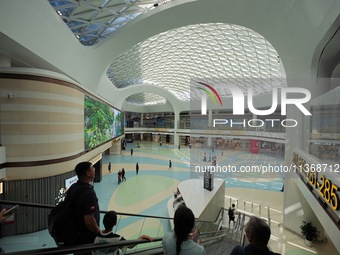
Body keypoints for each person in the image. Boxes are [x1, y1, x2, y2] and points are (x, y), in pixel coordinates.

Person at [66, 162, 100, 252]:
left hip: (75, 234)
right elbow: (89, 221)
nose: (94, 170)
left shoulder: (73, 188)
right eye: (92, 169)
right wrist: (99, 232)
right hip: (86, 238)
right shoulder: (89, 193)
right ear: (88, 173)